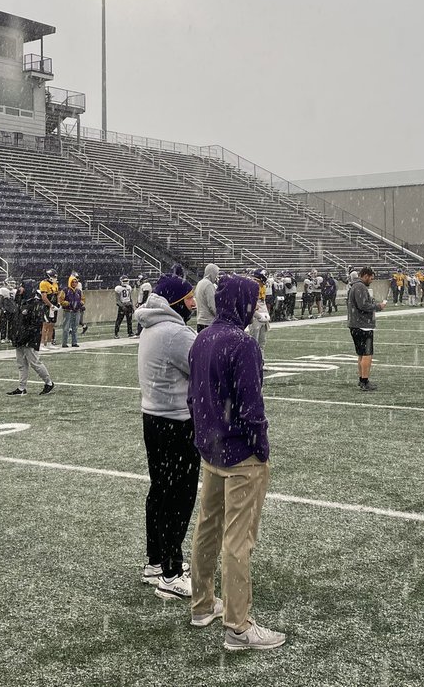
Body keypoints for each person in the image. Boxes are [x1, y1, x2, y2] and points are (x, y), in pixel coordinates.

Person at [188, 275, 284, 651]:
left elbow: (192, 397)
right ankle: (238, 627)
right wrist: (261, 445)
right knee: (238, 539)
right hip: (239, 452)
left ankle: (201, 605)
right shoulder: (242, 344)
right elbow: (251, 406)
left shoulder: (203, 337)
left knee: (207, 527)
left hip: (210, 448)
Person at [135, 273, 199, 600]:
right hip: (176, 423)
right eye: (189, 299)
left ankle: (156, 562)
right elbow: (205, 368)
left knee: (161, 492)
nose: (194, 304)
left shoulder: (152, 326)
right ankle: (172, 572)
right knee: (179, 497)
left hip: (154, 419)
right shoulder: (175, 332)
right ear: (175, 301)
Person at [7, 279, 56, 396]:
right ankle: (21, 387)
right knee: (21, 363)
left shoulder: (35, 304)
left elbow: (36, 324)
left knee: (35, 362)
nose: (20, 288)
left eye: (22, 286)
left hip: (29, 338)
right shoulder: (22, 301)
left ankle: (48, 383)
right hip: (20, 337)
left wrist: (26, 336)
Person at [347, 266, 386, 391]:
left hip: (356, 324)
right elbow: (363, 305)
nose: (371, 281)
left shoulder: (356, 286)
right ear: (365, 276)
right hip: (362, 325)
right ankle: (365, 381)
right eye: (371, 278)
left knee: (361, 354)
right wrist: (378, 306)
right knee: (367, 354)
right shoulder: (360, 287)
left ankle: (361, 379)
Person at [60, 272, 85, 347]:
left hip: (76, 311)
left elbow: (83, 299)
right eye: (73, 282)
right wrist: (67, 303)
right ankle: (64, 343)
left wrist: (81, 303)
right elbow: (61, 300)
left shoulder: (79, 291)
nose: (74, 283)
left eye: (75, 282)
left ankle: (74, 342)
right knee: (66, 328)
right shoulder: (65, 290)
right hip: (68, 311)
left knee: (75, 327)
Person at [247, 269, 271, 348]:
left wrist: (266, 314)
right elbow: (248, 304)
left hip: (263, 316)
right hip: (255, 317)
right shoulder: (252, 286)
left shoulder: (262, 286)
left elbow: (262, 302)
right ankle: (253, 360)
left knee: (262, 343)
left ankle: (261, 360)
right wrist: (251, 315)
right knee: (254, 343)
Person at [194, 263, 220, 333]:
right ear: (212, 273)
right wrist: (219, 317)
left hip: (200, 321)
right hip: (208, 322)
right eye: (216, 274)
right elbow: (212, 306)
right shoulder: (208, 285)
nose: (216, 277)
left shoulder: (200, 283)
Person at [39, 268, 59, 348]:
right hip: (46, 306)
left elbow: (56, 295)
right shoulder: (44, 283)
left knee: (51, 325)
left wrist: (58, 304)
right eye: (53, 276)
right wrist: (51, 305)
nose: (55, 278)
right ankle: (42, 344)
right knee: (45, 325)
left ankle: (49, 343)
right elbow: (44, 297)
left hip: (53, 306)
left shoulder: (55, 284)